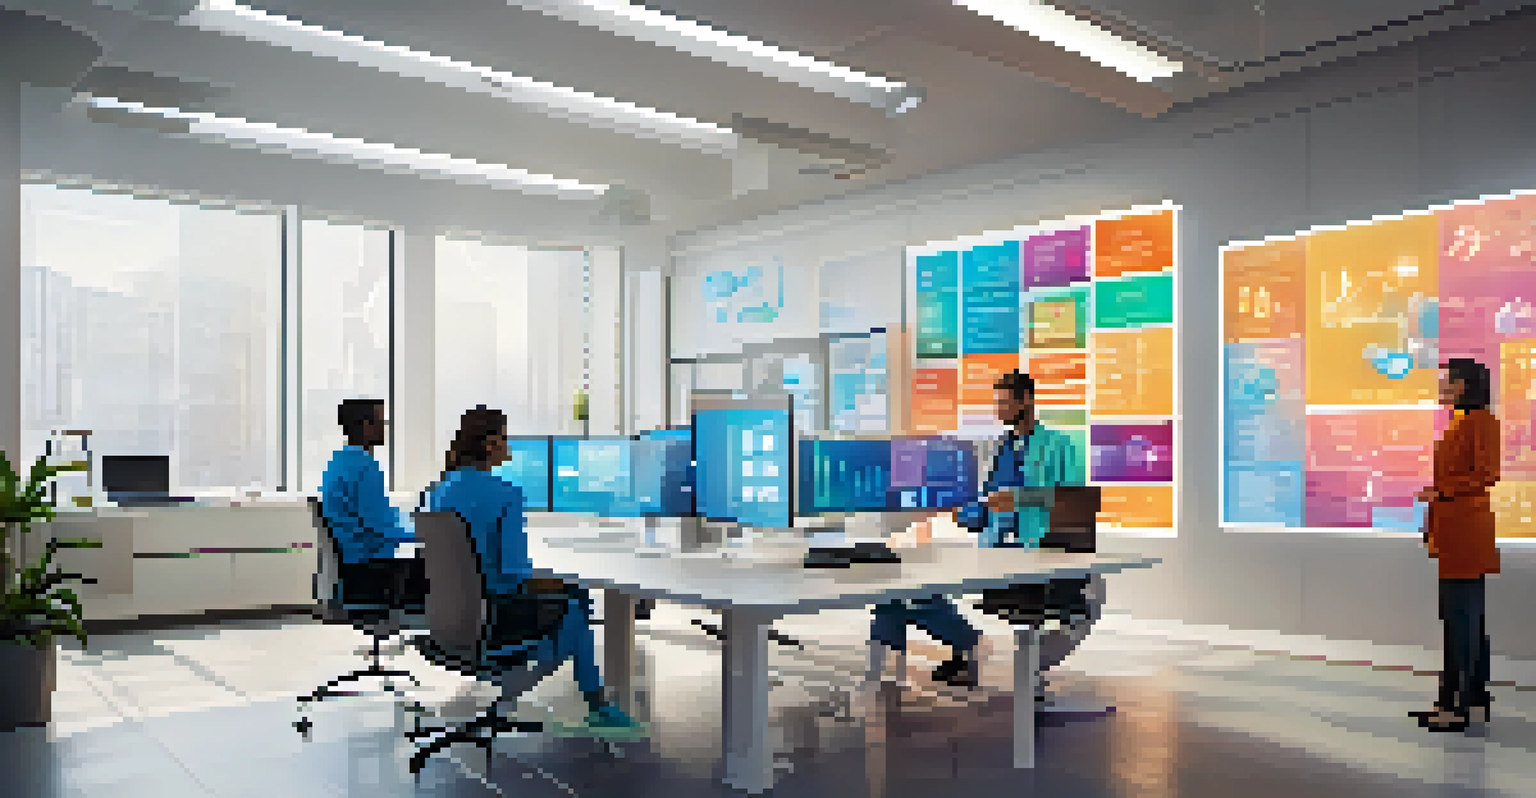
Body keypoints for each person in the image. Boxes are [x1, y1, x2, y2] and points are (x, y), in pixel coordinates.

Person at [422, 405, 638, 731]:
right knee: (577, 601)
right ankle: (592, 703)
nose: (509, 445)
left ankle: (558, 695)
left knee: (569, 598)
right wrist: (560, 583)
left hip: (450, 621)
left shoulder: (438, 492)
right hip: (495, 616)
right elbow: (513, 573)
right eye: (505, 438)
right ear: (490, 445)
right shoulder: (505, 494)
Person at [869, 370, 1084, 688]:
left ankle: (971, 646)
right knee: (895, 591)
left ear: (1026, 400)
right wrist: (957, 513)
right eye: (997, 403)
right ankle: (885, 678)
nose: (999, 410)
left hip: (1036, 552)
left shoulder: (1059, 445)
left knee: (909, 590)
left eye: (1005, 403)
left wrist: (1021, 499)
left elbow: (1076, 499)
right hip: (992, 550)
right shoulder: (1000, 449)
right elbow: (985, 505)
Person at [1413, 358, 1500, 732]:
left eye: (1446, 380)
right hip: (1455, 532)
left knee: (1461, 621)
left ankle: (1457, 707)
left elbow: (1487, 474)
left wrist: (1440, 492)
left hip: (1466, 535)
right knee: (1462, 619)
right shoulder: (1461, 421)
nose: (1441, 385)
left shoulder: (1481, 421)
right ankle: (1468, 701)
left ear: (1462, 384)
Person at [319, 398, 426, 610]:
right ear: (367, 426)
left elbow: (378, 517)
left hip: (352, 567)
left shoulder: (338, 461)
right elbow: (383, 526)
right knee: (444, 569)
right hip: (371, 571)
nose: (384, 428)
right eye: (381, 422)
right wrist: (428, 531)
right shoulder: (365, 467)